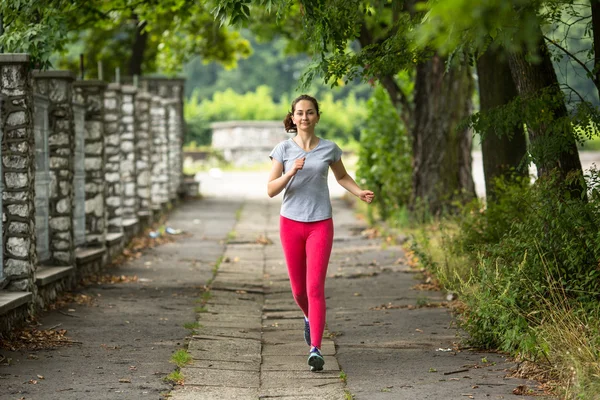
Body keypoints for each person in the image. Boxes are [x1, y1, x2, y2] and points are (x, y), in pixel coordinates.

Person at [267, 94, 374, 372]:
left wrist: (359, 191)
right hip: (290, 223)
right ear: (292, 117)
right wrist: (290, 172)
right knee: (298, 291)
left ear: (317, 116)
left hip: (320, 223)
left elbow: (341, 177)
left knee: (315, 288)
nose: (305, 117)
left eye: (310, 112)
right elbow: (270, 190)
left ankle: (315, 348)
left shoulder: (329, 149)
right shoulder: (283, 150)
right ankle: (307, 317)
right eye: (300, 113)